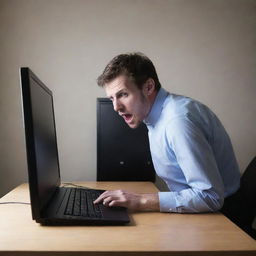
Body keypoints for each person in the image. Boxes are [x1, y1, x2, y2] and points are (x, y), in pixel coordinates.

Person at [94, 52, 241, 213]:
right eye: (111, 99)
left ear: (149, 87)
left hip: (222, 215)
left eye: (123, 94)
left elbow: (211, 196)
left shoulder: (177, 122)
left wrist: (141, 200)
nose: (116, 107)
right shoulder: (158, 114)